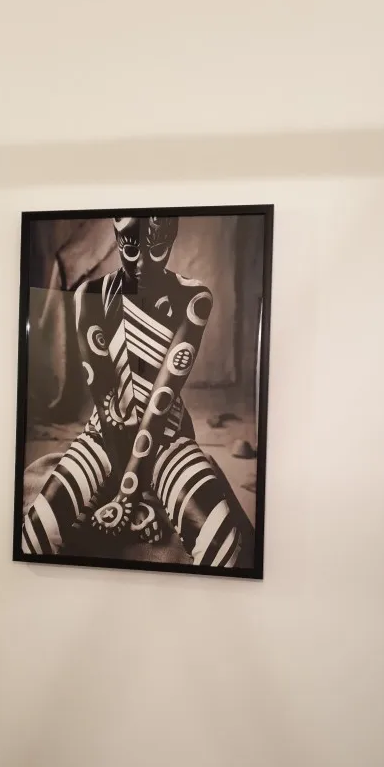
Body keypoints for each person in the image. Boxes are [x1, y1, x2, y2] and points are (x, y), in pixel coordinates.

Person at [22, 215, 253, 568]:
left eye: (157, 246)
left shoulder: (193, 298)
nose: (142, 262)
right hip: (104, 436)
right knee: (35, 536)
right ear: (117, 238)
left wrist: (127, 496)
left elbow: (160, 402)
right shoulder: (90, 296)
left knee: (224, 545)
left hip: (167, 439)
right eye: (130, 247)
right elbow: (107, 402)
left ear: (172, 238)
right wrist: (129, 490)